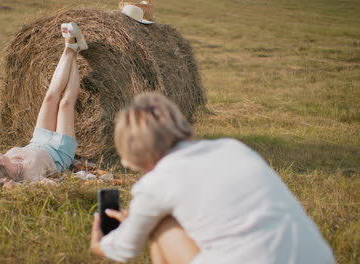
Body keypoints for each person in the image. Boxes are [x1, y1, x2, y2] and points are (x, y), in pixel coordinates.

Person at [90, 92, 335, 264]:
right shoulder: (233, 148)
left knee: (162, 224)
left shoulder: (156, 183)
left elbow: (125, 249)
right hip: (319, 258)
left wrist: (100, 244)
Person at [0, 22, 88, 182]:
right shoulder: (29, 176)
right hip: (60, 151)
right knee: (65, 103)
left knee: (50, 97)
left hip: (39, 139)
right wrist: (16, 187)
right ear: (7, 171)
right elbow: (50, 186)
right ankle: (72, 48)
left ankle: (71, 48)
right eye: (0, 159)